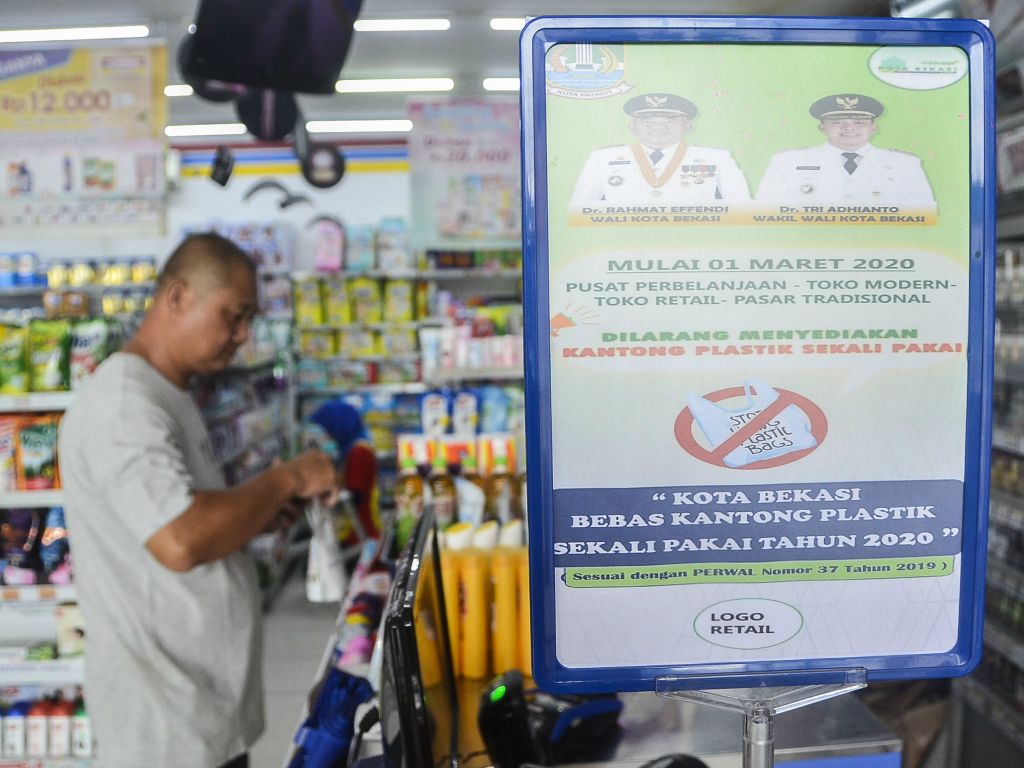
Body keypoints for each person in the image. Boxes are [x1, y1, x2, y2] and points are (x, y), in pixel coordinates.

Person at [58, 233, 339, 768]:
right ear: (178, 296)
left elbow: (182, 517)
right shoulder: (124, 407)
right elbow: (180, 540)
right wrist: (286, 478)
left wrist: (252, 517)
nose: (242, 336)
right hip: (162, 729)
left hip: (200, 712)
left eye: (250, 320)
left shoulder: (170, 394)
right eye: (233, 316)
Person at [568, 92, 751, 210]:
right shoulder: (603, 159)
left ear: (687, 128)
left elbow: (742, 209)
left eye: (669, 121)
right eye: (647, 121)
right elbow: (581, 208)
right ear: (632, 127)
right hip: (625, 243)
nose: (658, 127)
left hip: (696, 242)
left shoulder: (717, 158)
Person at [755, 93, 936, 207]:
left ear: (874, 128)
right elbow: (764, 211)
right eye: (838, 122)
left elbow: (924, 214)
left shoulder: (905, 164)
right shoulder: (788, 161)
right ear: (822, 128)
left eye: (859, 122)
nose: (849, 128)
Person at [308, 398, 379, 540]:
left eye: (329, 431)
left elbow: (355, 495)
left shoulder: (360, 452)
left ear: (338, 426)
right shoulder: (350, 449)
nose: (329, 436)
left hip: (360, 530)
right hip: (354, 528)